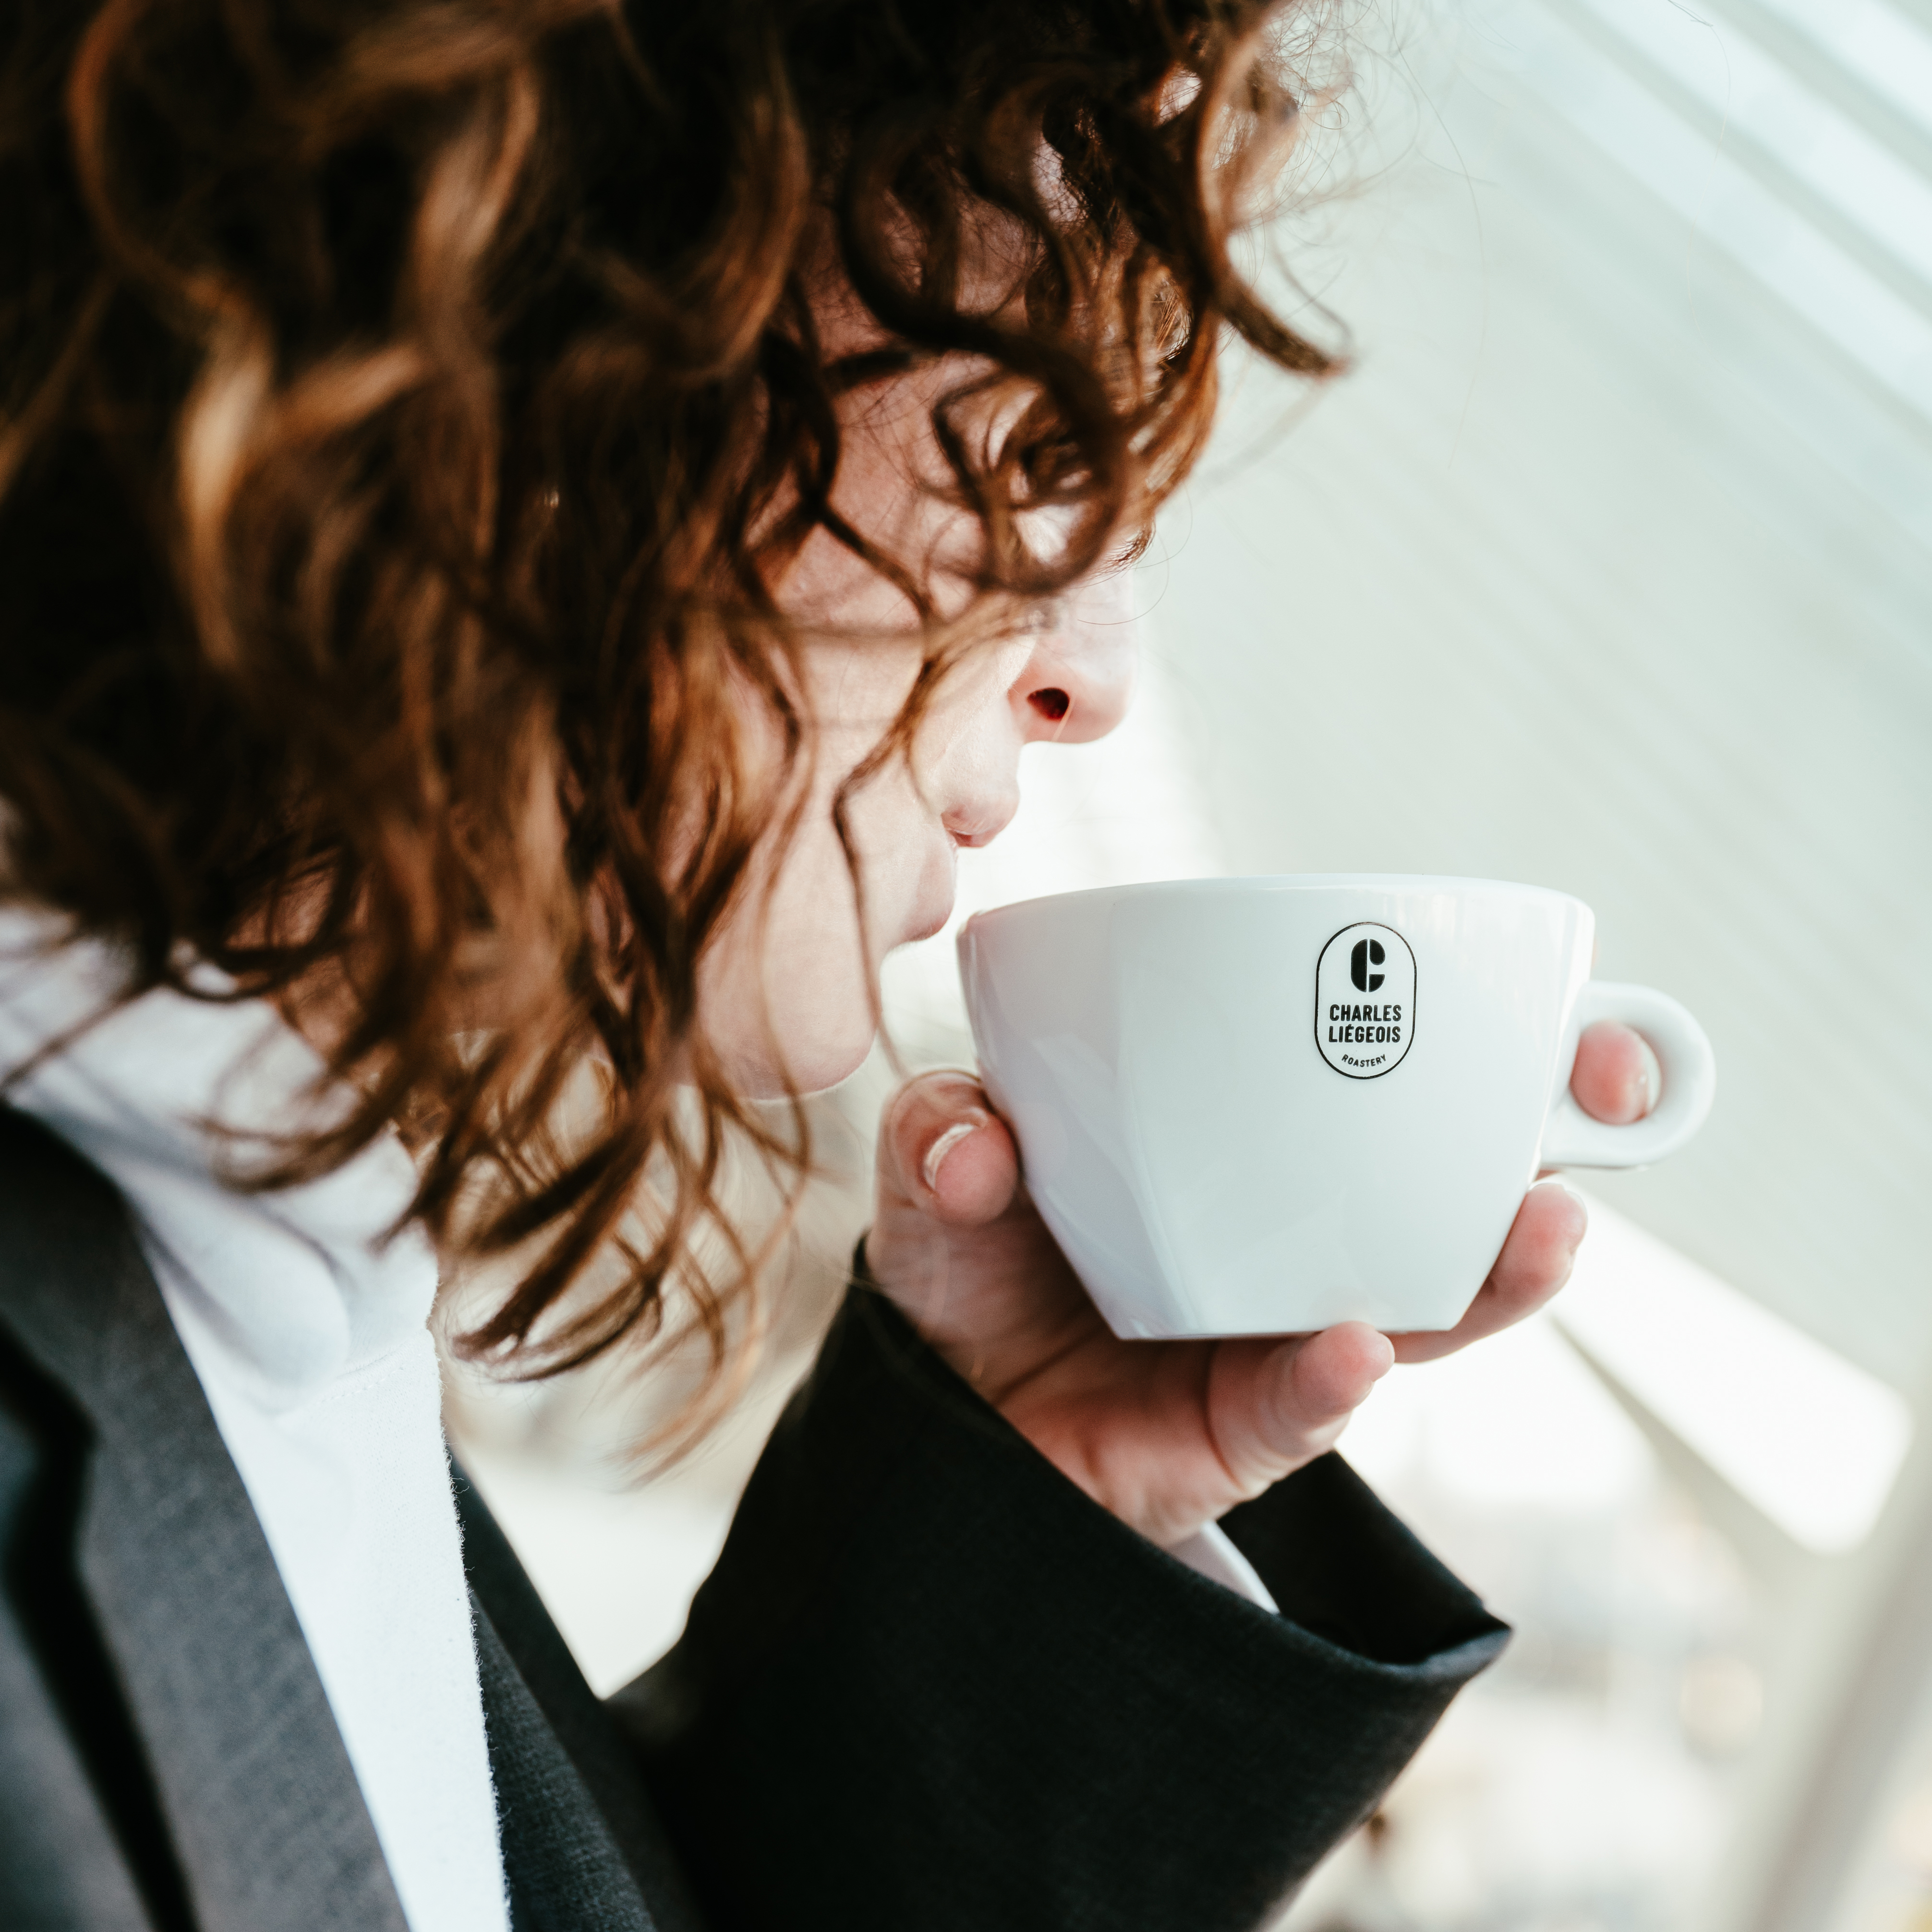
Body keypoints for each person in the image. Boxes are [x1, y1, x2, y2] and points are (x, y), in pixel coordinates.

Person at [0, 1, 1665, 1928]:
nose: (1092, 677)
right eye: (1039, 434)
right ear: (546, 280)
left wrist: (1037, 1509)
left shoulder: (265, 1254)